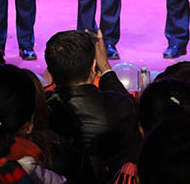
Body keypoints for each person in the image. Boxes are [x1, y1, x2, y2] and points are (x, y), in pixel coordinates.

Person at [45, 30, 141, 180]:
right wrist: (106, 68)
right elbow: (133, 115)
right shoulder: (119, 104)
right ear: (93, 66)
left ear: (49, 71)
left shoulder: (43, 105)